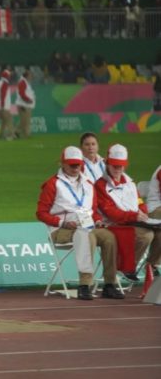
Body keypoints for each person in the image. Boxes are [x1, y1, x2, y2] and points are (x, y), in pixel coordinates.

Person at [36, 146, 123, 300]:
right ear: (62, 164)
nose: (76, 168)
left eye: (78, 164)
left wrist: (97, 220)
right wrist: (62, 222)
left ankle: (110, 284)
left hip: (87, 226)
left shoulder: (88, 184)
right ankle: (84, 285)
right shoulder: (53, 184)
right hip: (61, 230)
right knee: (86, 236)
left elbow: (93, 210)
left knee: (110, 237)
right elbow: (41, 213)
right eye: (72, 165)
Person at [96, 144, 161, 280]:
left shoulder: (129, 182)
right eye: (115, 166)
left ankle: (152, 266)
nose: (118, 169)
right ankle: (126, 267)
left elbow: (139, 201)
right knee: (146, 236)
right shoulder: (100, 185)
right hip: (113, 225)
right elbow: (111, 213)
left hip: (134, 222)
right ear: (107, 164)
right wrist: (135, 216)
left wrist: (143, 213)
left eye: (121, 166)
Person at [14, 69, 35, 138]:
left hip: (26, 104)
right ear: (27, 76)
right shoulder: (22, 82)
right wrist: (28, 100)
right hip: (23, 104)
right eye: (30, 75)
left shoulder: (25, 82)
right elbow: (21, 93)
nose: (32, 77)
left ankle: (18, 132)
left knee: (24, 120)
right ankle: (24, 134)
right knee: (25, 120)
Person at [0, 69, 14, 140]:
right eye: (9, 75)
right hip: (3, 106)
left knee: (4, 121)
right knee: (9, 120)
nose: (10, 77)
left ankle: (0, 135)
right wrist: (2, 105)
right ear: (7, 76)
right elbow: (3, 94)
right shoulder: (5, 83)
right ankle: (11, 135)